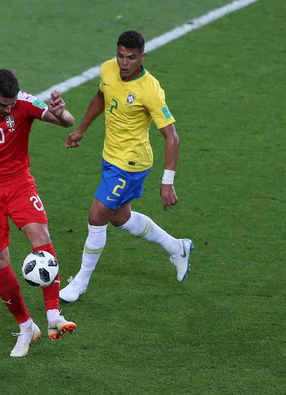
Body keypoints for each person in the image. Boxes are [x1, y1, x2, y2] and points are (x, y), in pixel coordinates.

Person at [60, 30, 193, 303]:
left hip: (131, 164)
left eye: (130, 58)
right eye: (120, 56)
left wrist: (167, 182)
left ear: (142, 57)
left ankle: (81, 281)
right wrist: (82, 130)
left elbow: (172, 137)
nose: (123, 63)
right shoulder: (108, 70)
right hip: (110, 157)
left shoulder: (150, 89)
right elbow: (101, 97)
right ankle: (177, 247)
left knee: (96, 216)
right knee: (120, 218)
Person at [0, 68, 77, 357]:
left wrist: (60, 113)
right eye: (2, 105)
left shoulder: (24, 103)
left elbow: (66, 122)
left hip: (18, 181)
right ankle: (26, 326)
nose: (8, 109)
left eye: (11, 104)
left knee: (41, 235)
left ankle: (52, 315)